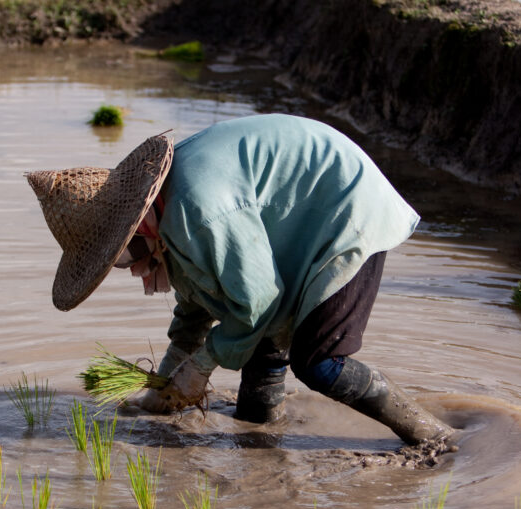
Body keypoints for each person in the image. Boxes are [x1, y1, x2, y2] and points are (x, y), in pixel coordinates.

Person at [26, 114, 454, 445]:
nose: (132, 268)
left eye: (121, 259)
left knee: (319, 362)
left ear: (139, 228)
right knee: (255, 392)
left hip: (344, 209)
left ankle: (433, 435)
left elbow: (260, 300)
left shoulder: (196, 212)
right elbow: (202, 297)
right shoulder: (169, 210)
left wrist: (204, 364)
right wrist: (170, 376)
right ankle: (268, 458)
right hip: (296, 226)